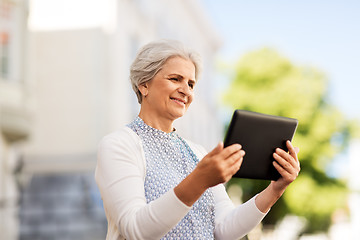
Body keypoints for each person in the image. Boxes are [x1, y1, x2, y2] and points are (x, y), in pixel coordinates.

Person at [95, 39, 300, 240]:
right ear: (144, 85)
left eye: (191, 83)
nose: (186, 90)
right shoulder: (119, 145)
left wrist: (275, 189)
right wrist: (200, 180)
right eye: (175, 79)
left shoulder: (198, 153)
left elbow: (224, 229)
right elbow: (136, 230)